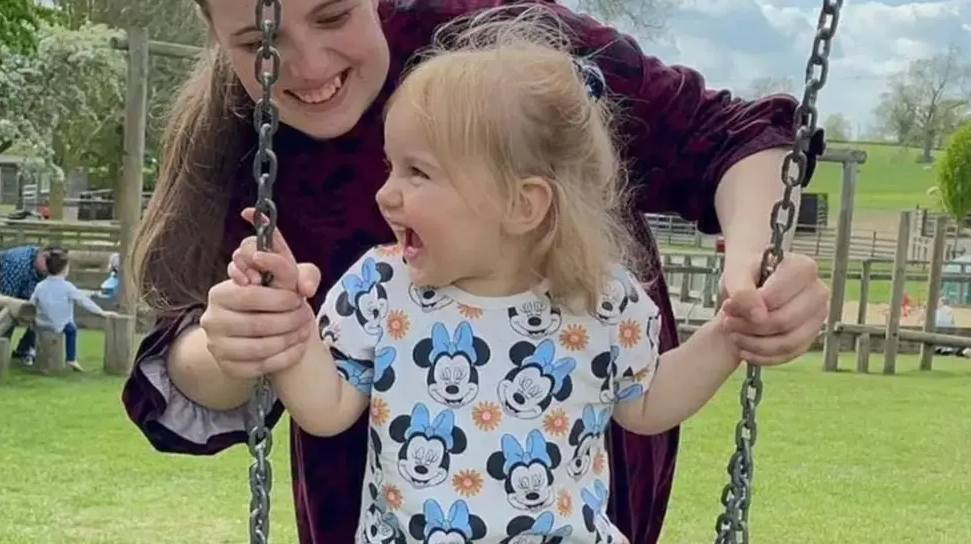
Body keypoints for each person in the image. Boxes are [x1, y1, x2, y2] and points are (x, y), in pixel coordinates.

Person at [123, 0, 831, 542]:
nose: (305, 66)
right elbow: (311, 397)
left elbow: (729, 137)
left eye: (334, 13)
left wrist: (747, 298)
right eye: (257, 46)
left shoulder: (509, 60)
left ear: (527, 201)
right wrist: (266, 333)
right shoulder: (371, 281)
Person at [29, 249, 111, 371]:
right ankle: (71, 358)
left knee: (34, 331)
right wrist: (101, 312)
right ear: (64, 269)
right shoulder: (67, 287)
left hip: (42, 323)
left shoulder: (40, 286)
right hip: (61, 324)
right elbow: (84, 301)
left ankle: (32, 351)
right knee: (71, 330)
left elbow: (31, 303)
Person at [0, 244, 57, 360]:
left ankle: (24, 350)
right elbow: (7, 296)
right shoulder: (18, 263)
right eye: (49, 264)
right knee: (10, 312)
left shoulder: (51, 268)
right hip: (7, 289)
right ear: (42, 256)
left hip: (25, 293)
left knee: (45, 312)